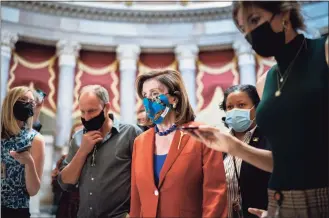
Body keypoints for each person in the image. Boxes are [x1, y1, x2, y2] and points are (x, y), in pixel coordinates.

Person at [184, 1, 329, 218]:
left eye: (254, 20)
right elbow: (283, 161)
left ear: (284, 13)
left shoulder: (324, 52)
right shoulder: (265, 82)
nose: (250, 33)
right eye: (243, 29)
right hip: (279, 203)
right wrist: (232, 146)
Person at [130, 70, 228, 217]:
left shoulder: (201, 135)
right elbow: (137, 200)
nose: (148, 102)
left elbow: (215, 195)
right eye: (145, 96)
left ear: (174, 99)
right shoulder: (140, 142)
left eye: (155, 94)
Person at [57, 85, 142, 218]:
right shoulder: (78, 137)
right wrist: (83, 151)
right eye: (83, 112)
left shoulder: (131, 133)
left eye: (92, 111)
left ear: (106, 107)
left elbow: (145, 179)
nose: (87, 117)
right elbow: (66, 183)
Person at [220, 85, 271, 218]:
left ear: (256, 107)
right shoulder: (219, 142)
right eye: (230, 107)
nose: (235, 111)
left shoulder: (269, 138)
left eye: (241, 105)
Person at [1, 86, 45, 218]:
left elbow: (33, 190)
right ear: (11, 103)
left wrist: (29, 163)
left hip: (16, 211)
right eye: (23, 100)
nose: (28, 104)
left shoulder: (35, 140)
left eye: (32, 102)